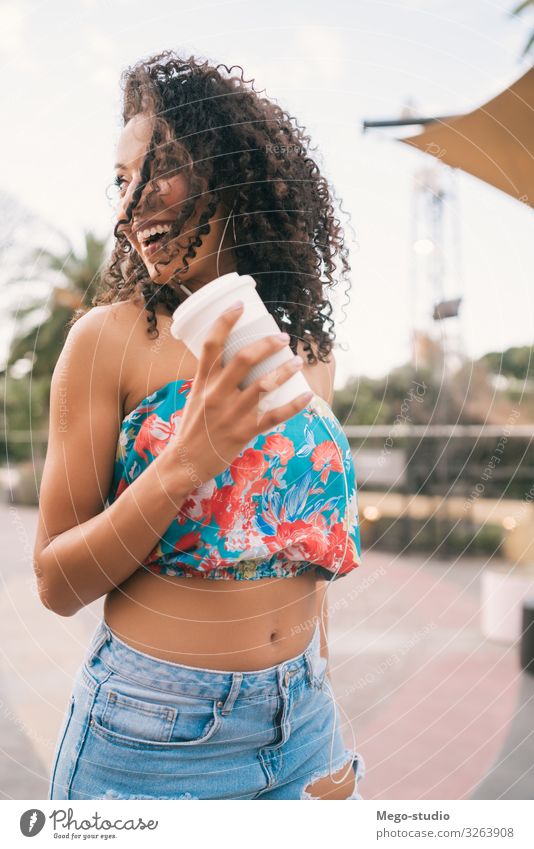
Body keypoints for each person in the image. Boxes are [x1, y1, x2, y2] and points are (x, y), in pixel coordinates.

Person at [35, 51, 366, 800]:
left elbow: (304, 555)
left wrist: (322, 707)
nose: (129, 207)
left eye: (156, 171)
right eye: (121, 183)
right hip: (151, 734)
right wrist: (188, 459)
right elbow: (56, 581)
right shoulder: (105, 341)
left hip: (303, 722)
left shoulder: (308, 347)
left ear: (228, 169)